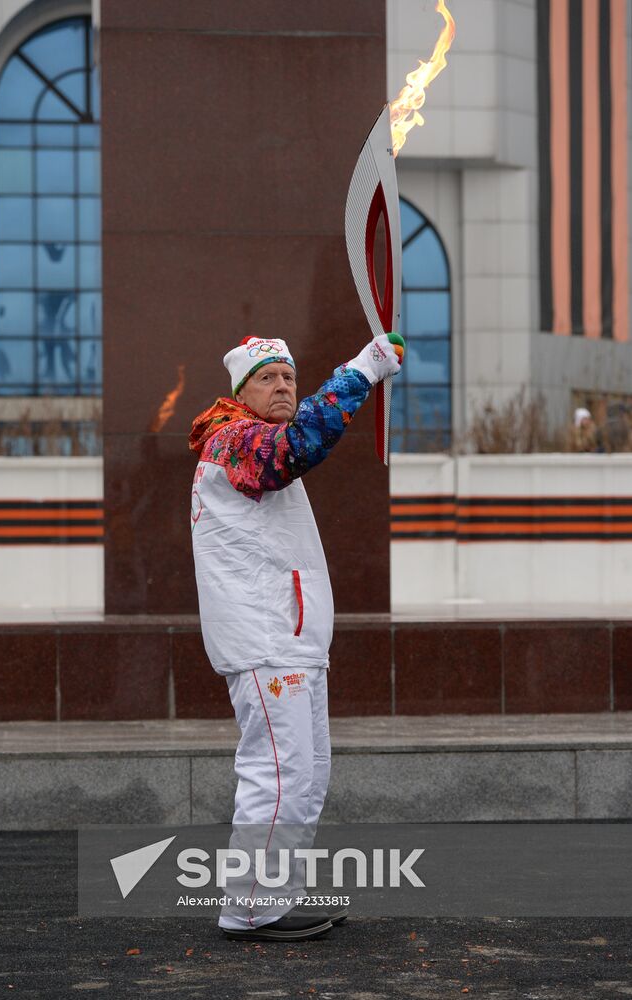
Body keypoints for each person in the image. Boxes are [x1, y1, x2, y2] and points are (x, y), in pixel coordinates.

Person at [188, 333, 404, 941]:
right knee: (279, 776)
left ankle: (272, 899)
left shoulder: (250, 442)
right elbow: (298, 446)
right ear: (241, 392)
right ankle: (249, 908)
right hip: (264, 641)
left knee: (307, 777)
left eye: (289, 376)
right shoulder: (232, 441)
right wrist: (362, 369)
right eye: (268, 378)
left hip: (293, 640)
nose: (283, 386)